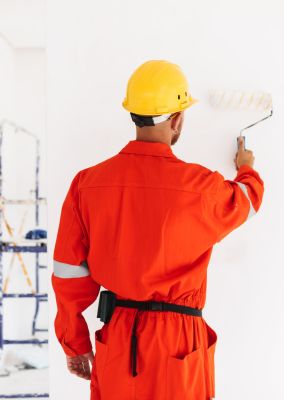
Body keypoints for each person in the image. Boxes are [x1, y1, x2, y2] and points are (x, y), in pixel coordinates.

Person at [51, 59, 264, 399]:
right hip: (180, 344)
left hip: (119, 338)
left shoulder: (86, 185)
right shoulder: (200, 188)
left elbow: (69, 274)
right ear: (177, 118)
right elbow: (248, 200)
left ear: (133, 115)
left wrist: (73, 342)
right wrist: (246, 169)